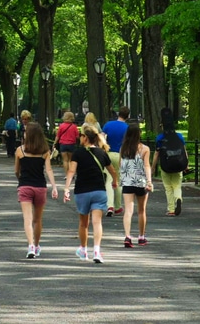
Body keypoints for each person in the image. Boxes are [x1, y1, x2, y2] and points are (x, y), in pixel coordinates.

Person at [64, 125, 118, 264]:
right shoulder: (102, 153)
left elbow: (71, 172)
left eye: (81, 135)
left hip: (82, 191)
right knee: (97, 222)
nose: (79, 137)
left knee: (83, 223)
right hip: (99, 191)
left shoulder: (77, 153)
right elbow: (112, 171)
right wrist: (115, 182)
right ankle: (97, 250)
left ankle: (83, 249)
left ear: (86, 138)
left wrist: (66, 188)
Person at [15, 122, 60, 258]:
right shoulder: (44, 152)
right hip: (40, 187)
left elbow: (16, 171)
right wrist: (54, 186)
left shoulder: (20, 151)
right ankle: (37, 245)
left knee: (27, 219)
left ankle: (30, 246)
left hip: (25, 186)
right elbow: (49, 170)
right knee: (38, 219)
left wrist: (20, 179)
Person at [119, 123, 152, 248]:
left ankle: (127, 236)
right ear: (139, 134)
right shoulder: (145, 149)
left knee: (128, 210)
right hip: (140, 182)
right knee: (141, 210)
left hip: (127, 182)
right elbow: (146, 165)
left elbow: (120, 165)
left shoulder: (123, 148)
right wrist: (149, 181)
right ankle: (141, 236)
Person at [152, 108, 186, 216]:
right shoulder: (179, 136)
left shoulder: (160, 138)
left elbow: (157, 154)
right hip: (178, 164)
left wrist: (153, 167)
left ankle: (171, 209)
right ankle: (178, 198)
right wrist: (186, 163)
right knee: (177, 185)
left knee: (168, 187)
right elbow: (184, 151)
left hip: (166, 165)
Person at [102, 106, 131, 216]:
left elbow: (102, 138)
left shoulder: (108, 124)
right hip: (120, 155)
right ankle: (118, 207)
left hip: (108, 154)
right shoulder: (127, 128)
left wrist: (104, 148)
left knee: (109, 180)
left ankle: (110, 205)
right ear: (127, 116)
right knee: (118, 180)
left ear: (118, 113)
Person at [54, 111, 79, 177]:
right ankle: (71, 174)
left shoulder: (61, 126)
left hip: (63, 144)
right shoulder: (74, 127)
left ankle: (67, 174)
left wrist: (54, 143)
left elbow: (58, 136)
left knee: (65, 160)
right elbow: (77, 136)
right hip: (71, 144)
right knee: (71, 160)